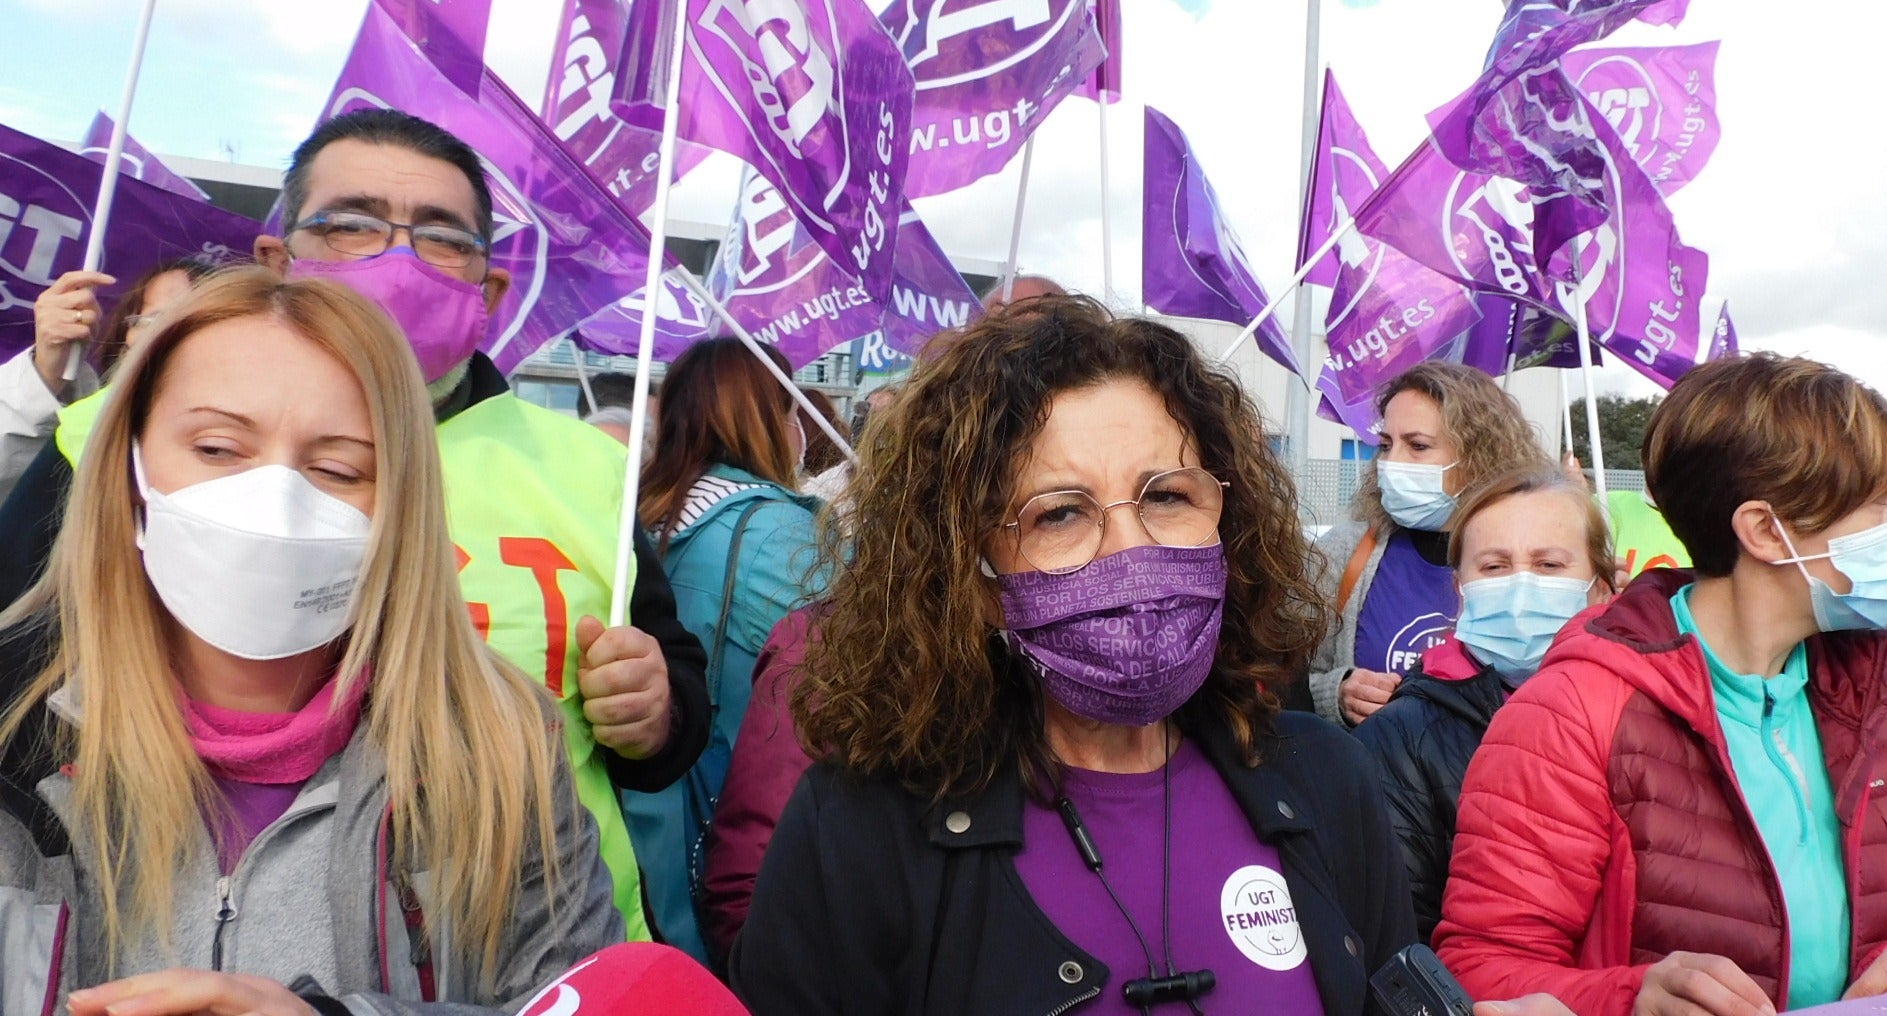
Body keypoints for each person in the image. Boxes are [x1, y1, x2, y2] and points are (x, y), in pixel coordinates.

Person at [0, 109, 709, 937]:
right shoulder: (106, 436)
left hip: (521, 936)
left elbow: (676, 695)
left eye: (442, 237)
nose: (396, 259)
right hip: (128, 917)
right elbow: (25, 677)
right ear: (277, 257)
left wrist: (656, 715)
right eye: (351, 225)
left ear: (488, 290)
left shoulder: (586, 467)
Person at [730, 296, 1414, 1014]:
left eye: (1168, 496)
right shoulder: (858, 830)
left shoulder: (1327, 782)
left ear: (1227, 520)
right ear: (977, 569)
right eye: (1059, 512)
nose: (1133, 548)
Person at [0, 266, 619, 1013]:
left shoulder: (497, 740)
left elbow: (584, 998)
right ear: (129, 468)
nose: (275, 500)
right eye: (218, 449)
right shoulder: (12, 719)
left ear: (400, 502)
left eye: (337, 468)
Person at [1436, 353, 1887, 1013]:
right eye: (1877, 505)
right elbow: (1479, 968)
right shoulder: (1572, 713)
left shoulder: (1869, 683)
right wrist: (1627, 999)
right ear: (1764, 531)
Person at [625, 337, 826, 966]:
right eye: (791, 409)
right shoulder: (789, 535)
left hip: (653, 836)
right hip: (764, 837)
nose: (800, 428)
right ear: (767, 417)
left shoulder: (639, 522)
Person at [1355, 465, 1615, 944]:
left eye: (1549, 566)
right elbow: (1402, 935)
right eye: (1494, 567)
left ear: (1600, 587)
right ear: (1459, 591)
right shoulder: (1398, 739)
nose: (1521, 589)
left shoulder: (1644, 721)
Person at [1308, 361, 1546, 726]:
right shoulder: (1342, 552)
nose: (1391, 463)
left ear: (1478, 457)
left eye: (1417, 445)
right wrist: (1336, 694)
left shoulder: (1535, 568)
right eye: (1386, 445)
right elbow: (1279, 682)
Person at [0, 258, 215, 502]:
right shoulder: (84, 425)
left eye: (196, 323)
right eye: (153, 320)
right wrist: (45, 373)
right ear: (125, 342)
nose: (168, 335)